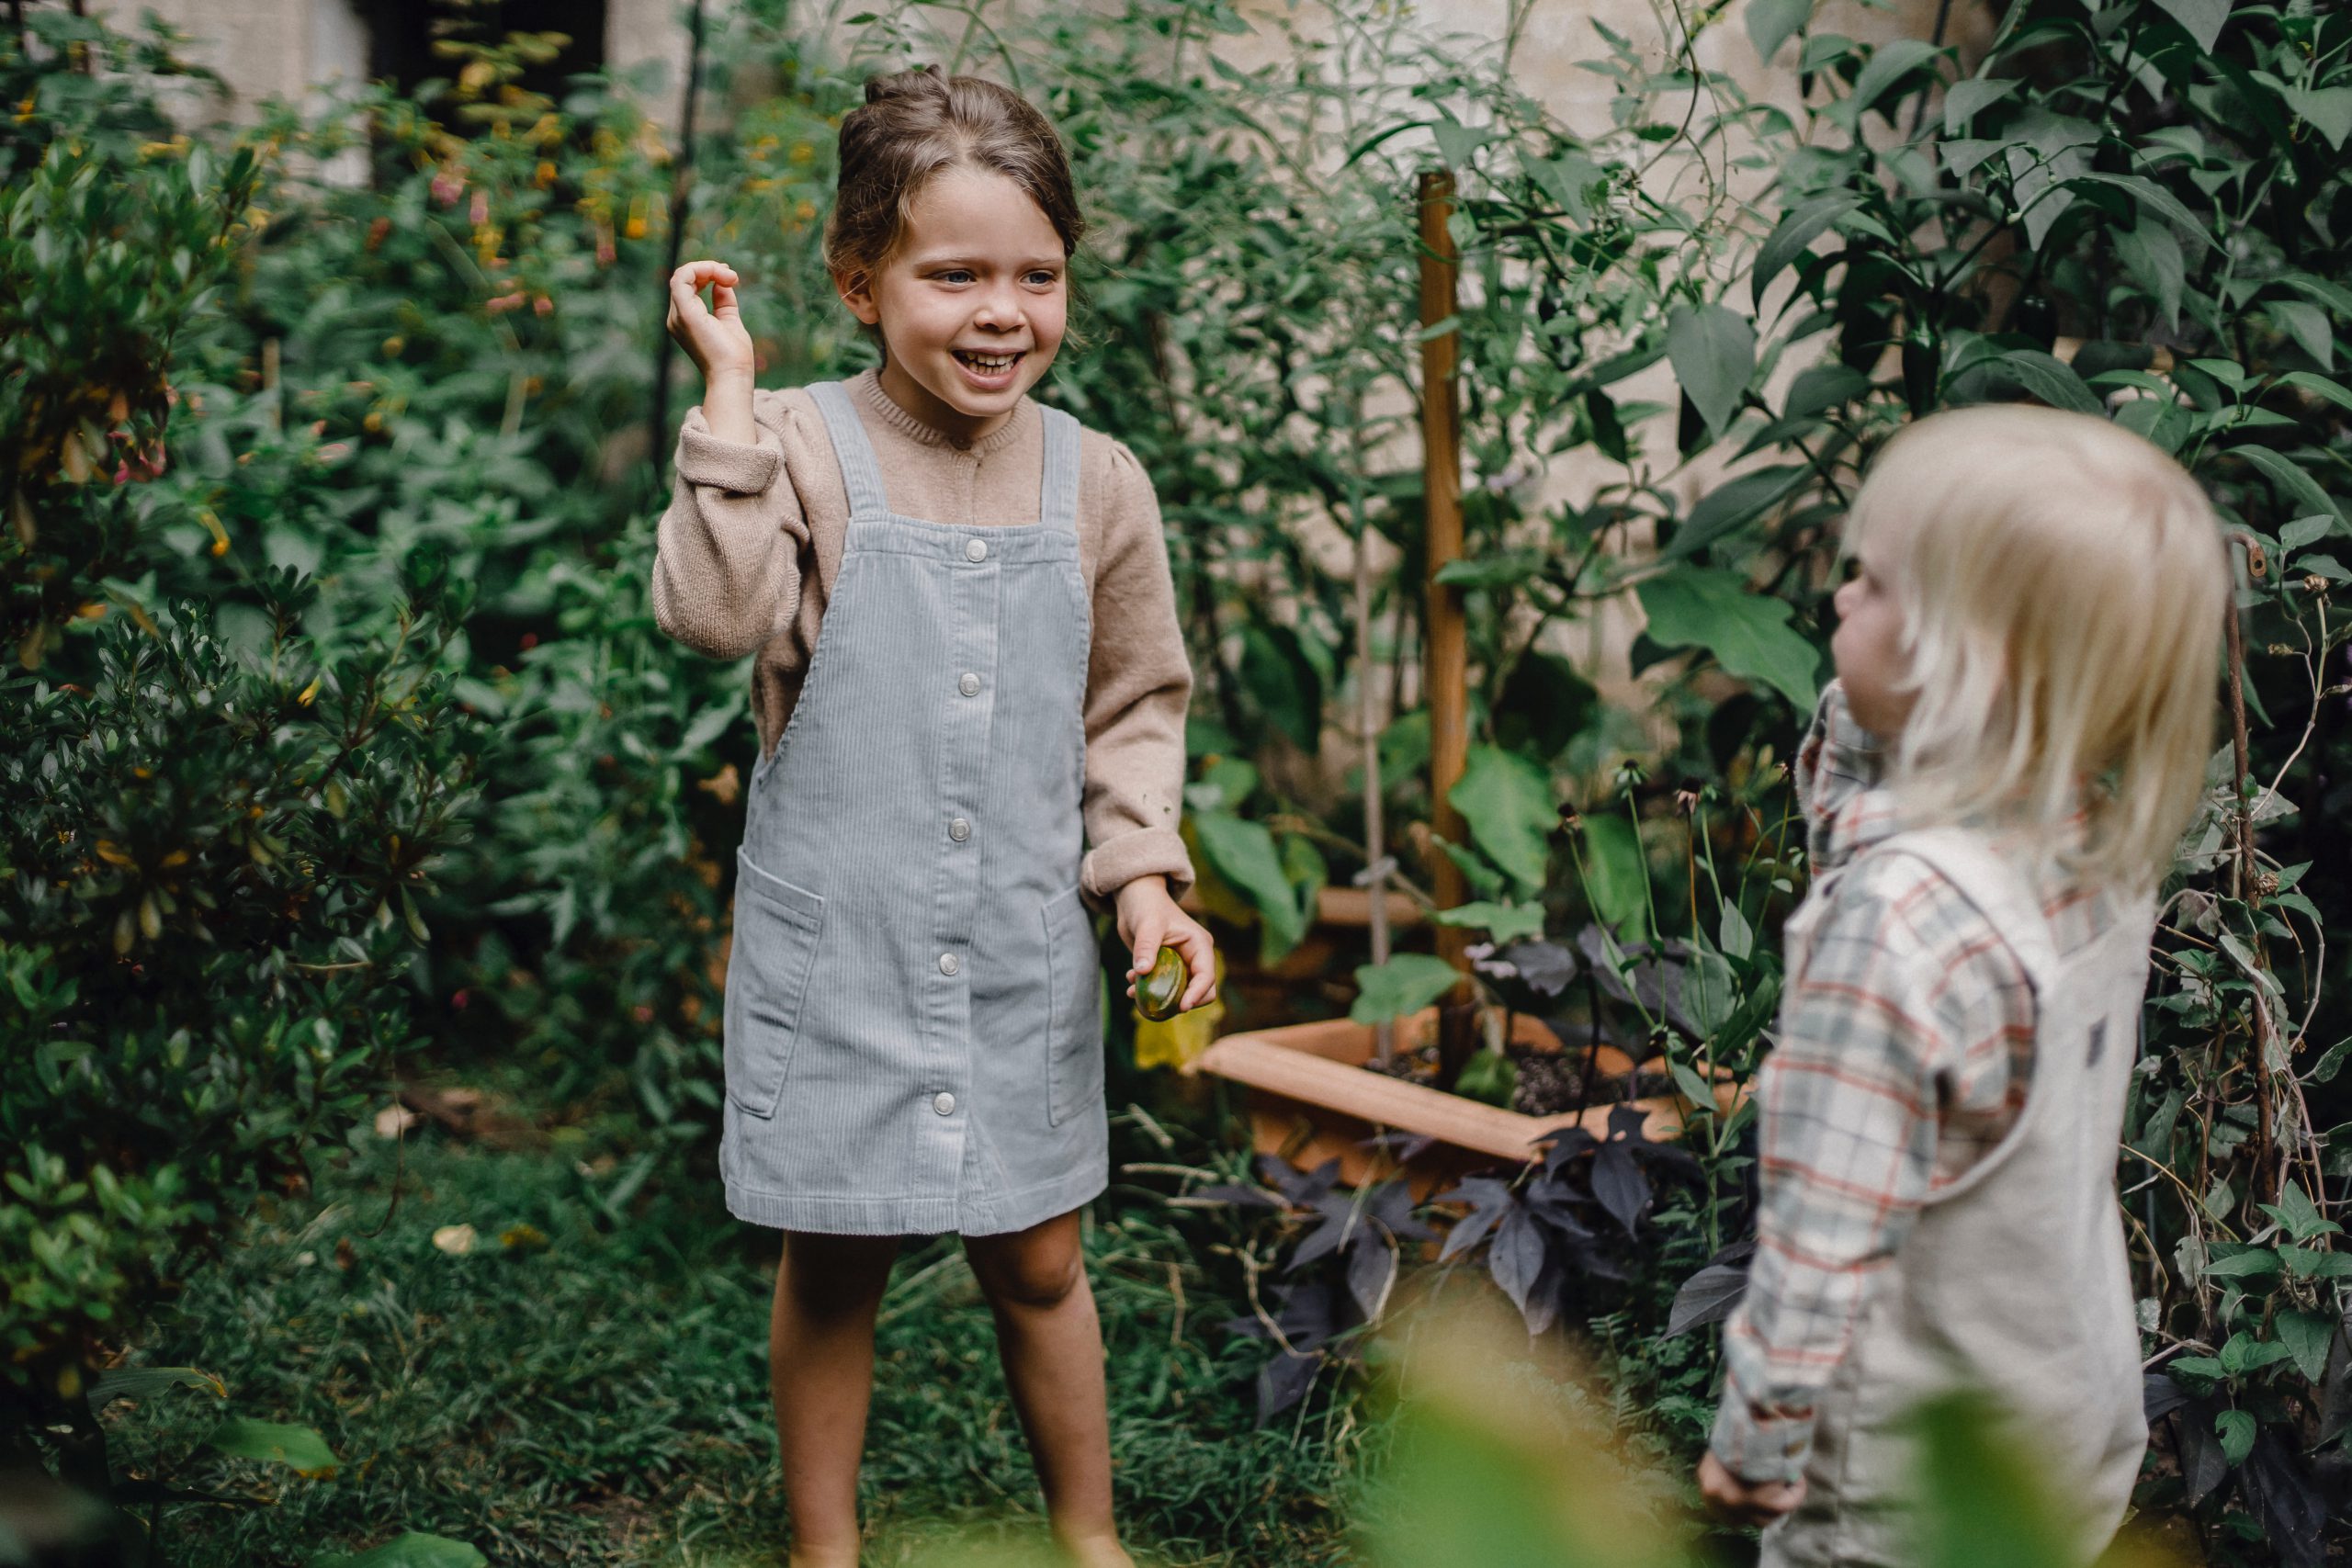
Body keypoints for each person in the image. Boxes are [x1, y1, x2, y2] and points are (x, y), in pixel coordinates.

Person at [652, 65, 1216, 1568]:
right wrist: (724, 407)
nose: (1000, 312)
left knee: (1039, 1257)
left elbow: (1133, 708)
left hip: (1022, 944)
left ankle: (1087, 1536)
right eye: (952, 272)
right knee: (835, 1256)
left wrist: (1145, 881)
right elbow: (712, 618)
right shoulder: (798, 449)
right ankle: (823, 1547)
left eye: (1037, 275)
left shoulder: (1097, 483)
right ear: (858, 277)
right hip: (845, 946)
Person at [1696, 404, 2228, 1564]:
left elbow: (1821, 1232)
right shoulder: (2089, 835)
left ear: (1961, 662)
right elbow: (1863, 812)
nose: (1840, 599)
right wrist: (1880, 699)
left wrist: (1757, 1440)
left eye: (1874, 584)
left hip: (1903, 1479)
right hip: (2058, 1418)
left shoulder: (1896, 926)